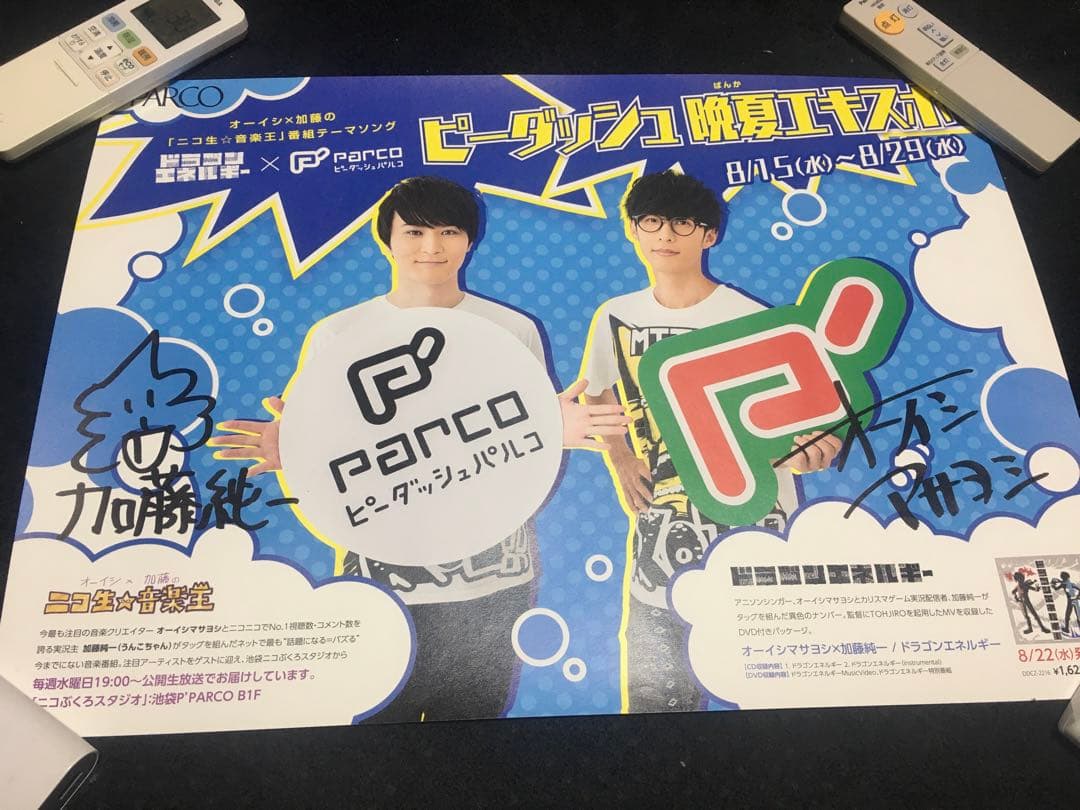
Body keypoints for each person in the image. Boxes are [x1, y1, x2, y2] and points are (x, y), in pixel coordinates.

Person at [210, 175, 629, 721]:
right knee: (378, 732)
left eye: (449, 231)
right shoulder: (339, 334)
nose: (431, 246)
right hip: (381, 579)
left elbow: (528, 439)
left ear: (470, 241)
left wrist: (556, 433)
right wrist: (294, 451)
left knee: (476, 733)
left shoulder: (512, 328)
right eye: (414, 232)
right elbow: (321, 447)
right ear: (387, 240)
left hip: (495, 579)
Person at [581, 170, 842, 713]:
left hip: (754, 524)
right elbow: (599, 389)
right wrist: (621, 456)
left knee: (769, 690)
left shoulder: (754, 319)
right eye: (651, 221)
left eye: (683, 223)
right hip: (661, 528)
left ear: (709, 235)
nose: (665, 234)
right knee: (657, 693)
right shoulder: (615, 316)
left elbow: (811, 421)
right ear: (633, 230)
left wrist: (815, 448)